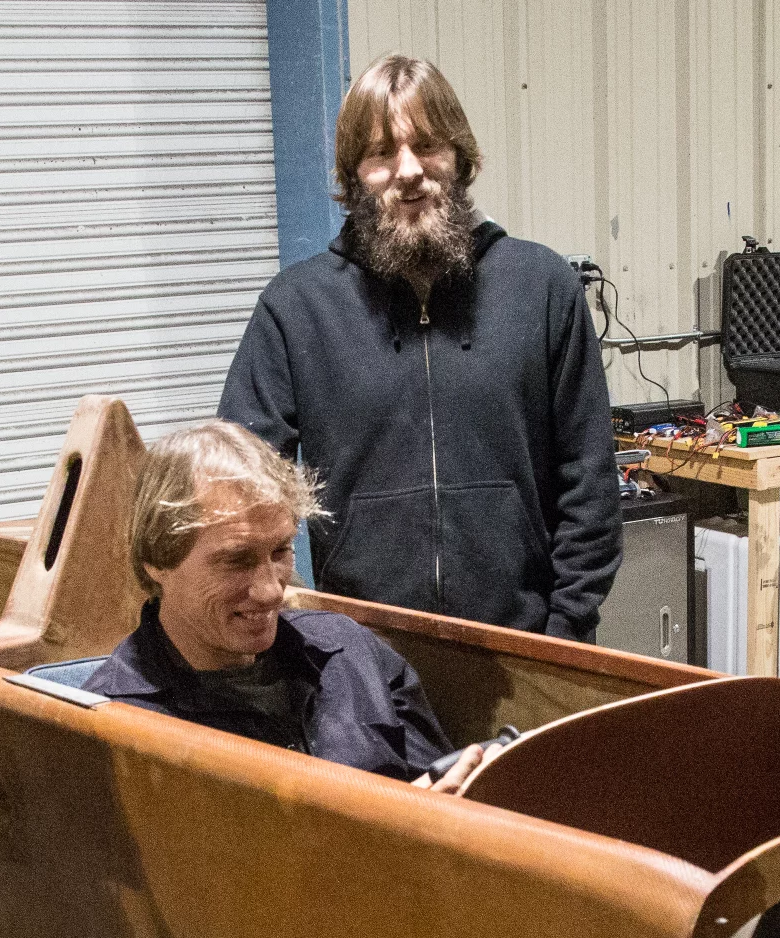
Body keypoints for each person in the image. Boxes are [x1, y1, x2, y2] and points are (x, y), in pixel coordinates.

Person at [219, 53, 620, 640]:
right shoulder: (297, 307)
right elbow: (239, 487)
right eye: (382, 153)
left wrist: (564, 631)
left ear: (461, 157)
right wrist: (297, 626)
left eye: (427, 145)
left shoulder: (542, 288)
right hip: (360, 653)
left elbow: (590, 481)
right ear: (354, 174)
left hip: (529, 643)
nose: (408, 170)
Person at [85, 421, 492, 791]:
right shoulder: (109, 726)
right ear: (156, 560)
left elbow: (436, 784)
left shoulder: (351, 651)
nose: (271, 592)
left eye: (281, 551)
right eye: (236, 560)